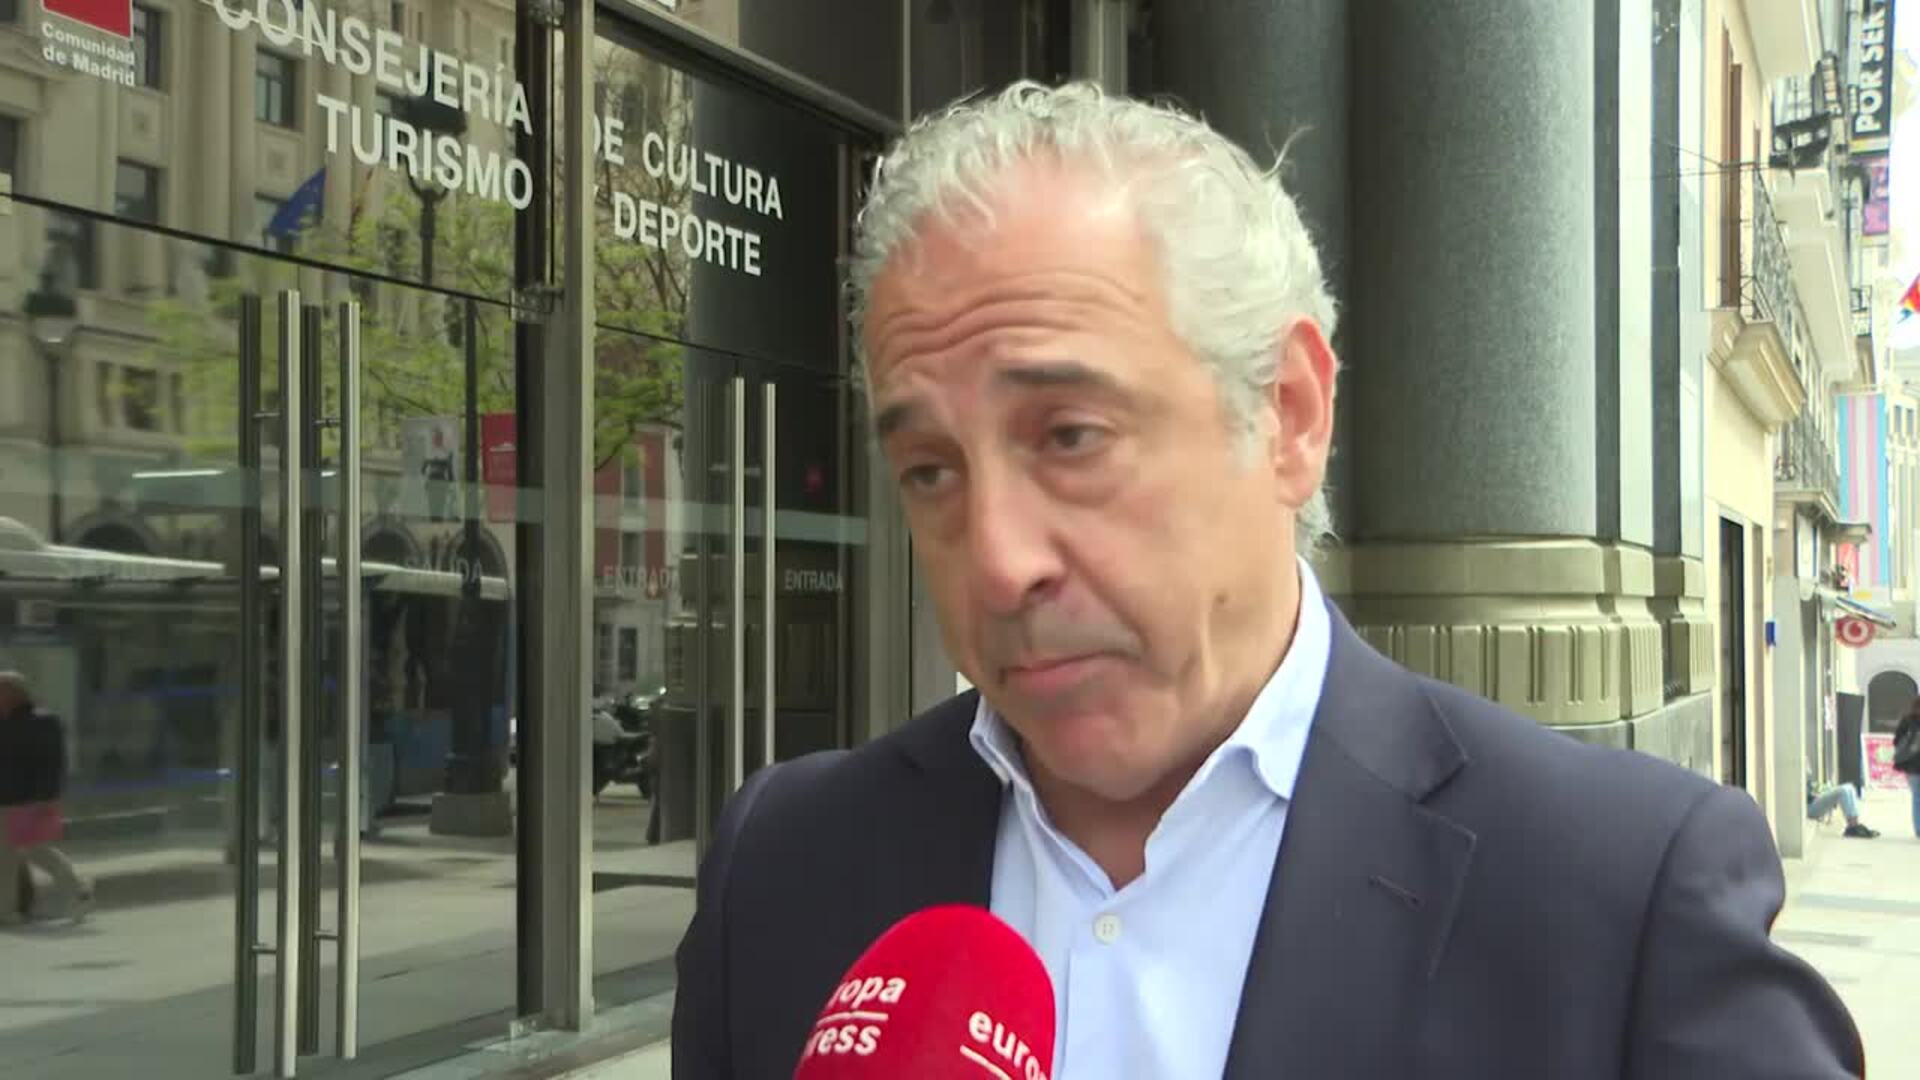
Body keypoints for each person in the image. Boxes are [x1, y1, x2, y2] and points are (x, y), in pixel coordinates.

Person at [670, 82, 1864, 1078]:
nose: (997, 560)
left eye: (1070, 437)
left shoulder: (1621, 899)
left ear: (1288, 414)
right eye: (930, 470)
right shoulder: (785, 866)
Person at [0, 671, 93, 925]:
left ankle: (79, 891)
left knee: (36, 851)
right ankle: (6, 911)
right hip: (5, 800)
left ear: (15, 693)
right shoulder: (3, 723)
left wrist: (46, 797)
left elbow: (53, 762)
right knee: (5, 858)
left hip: (32, 799)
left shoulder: (43, 721)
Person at [1806, 777, 1878, 838]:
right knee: (1843, 790)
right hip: (1808, 808)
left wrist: (1818, 790)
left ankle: (1855, 824)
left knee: (1849, 787)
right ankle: (1852, 827)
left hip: (1813, 802)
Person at [1895, 700, 1920, 838]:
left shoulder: (1907, 720)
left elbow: (1896, 741)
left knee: (1917, 797)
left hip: (1911, 764)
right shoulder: (1907, 720)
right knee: (1917, 796)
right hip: (1913, 765)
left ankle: (1919, 828)